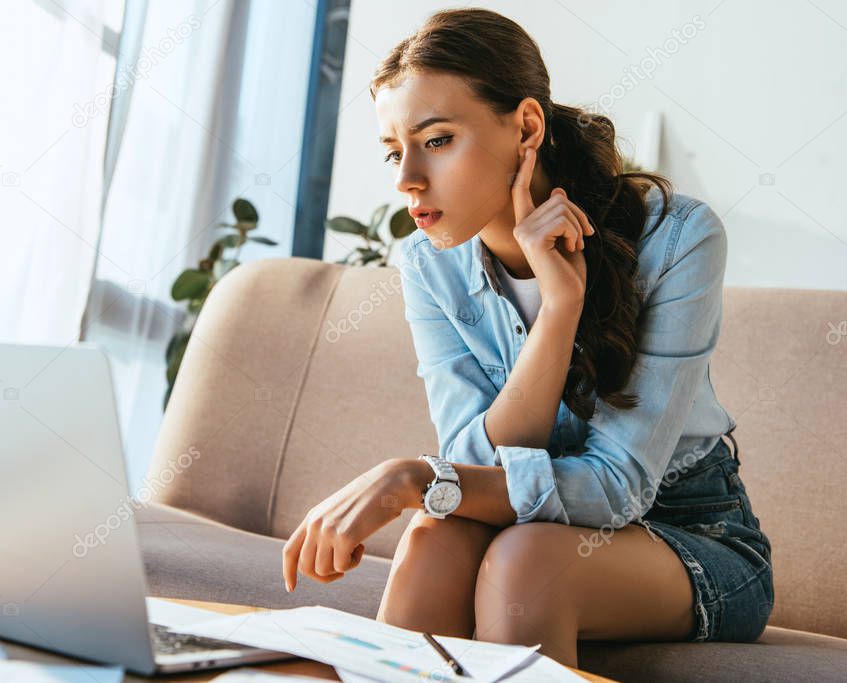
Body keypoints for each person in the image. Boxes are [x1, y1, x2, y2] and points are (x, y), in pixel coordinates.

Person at [281, 8, 773, 668]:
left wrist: (412, 475)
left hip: (691, 531)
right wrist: (555, 316)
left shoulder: (676, 239)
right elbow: (468, 455)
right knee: (432, 537)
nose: (405, 180)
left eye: (437, 140)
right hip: (535, 523)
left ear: (526, 127)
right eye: (395, 152)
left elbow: (615, 486)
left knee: (524, 560)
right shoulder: (428, 265)